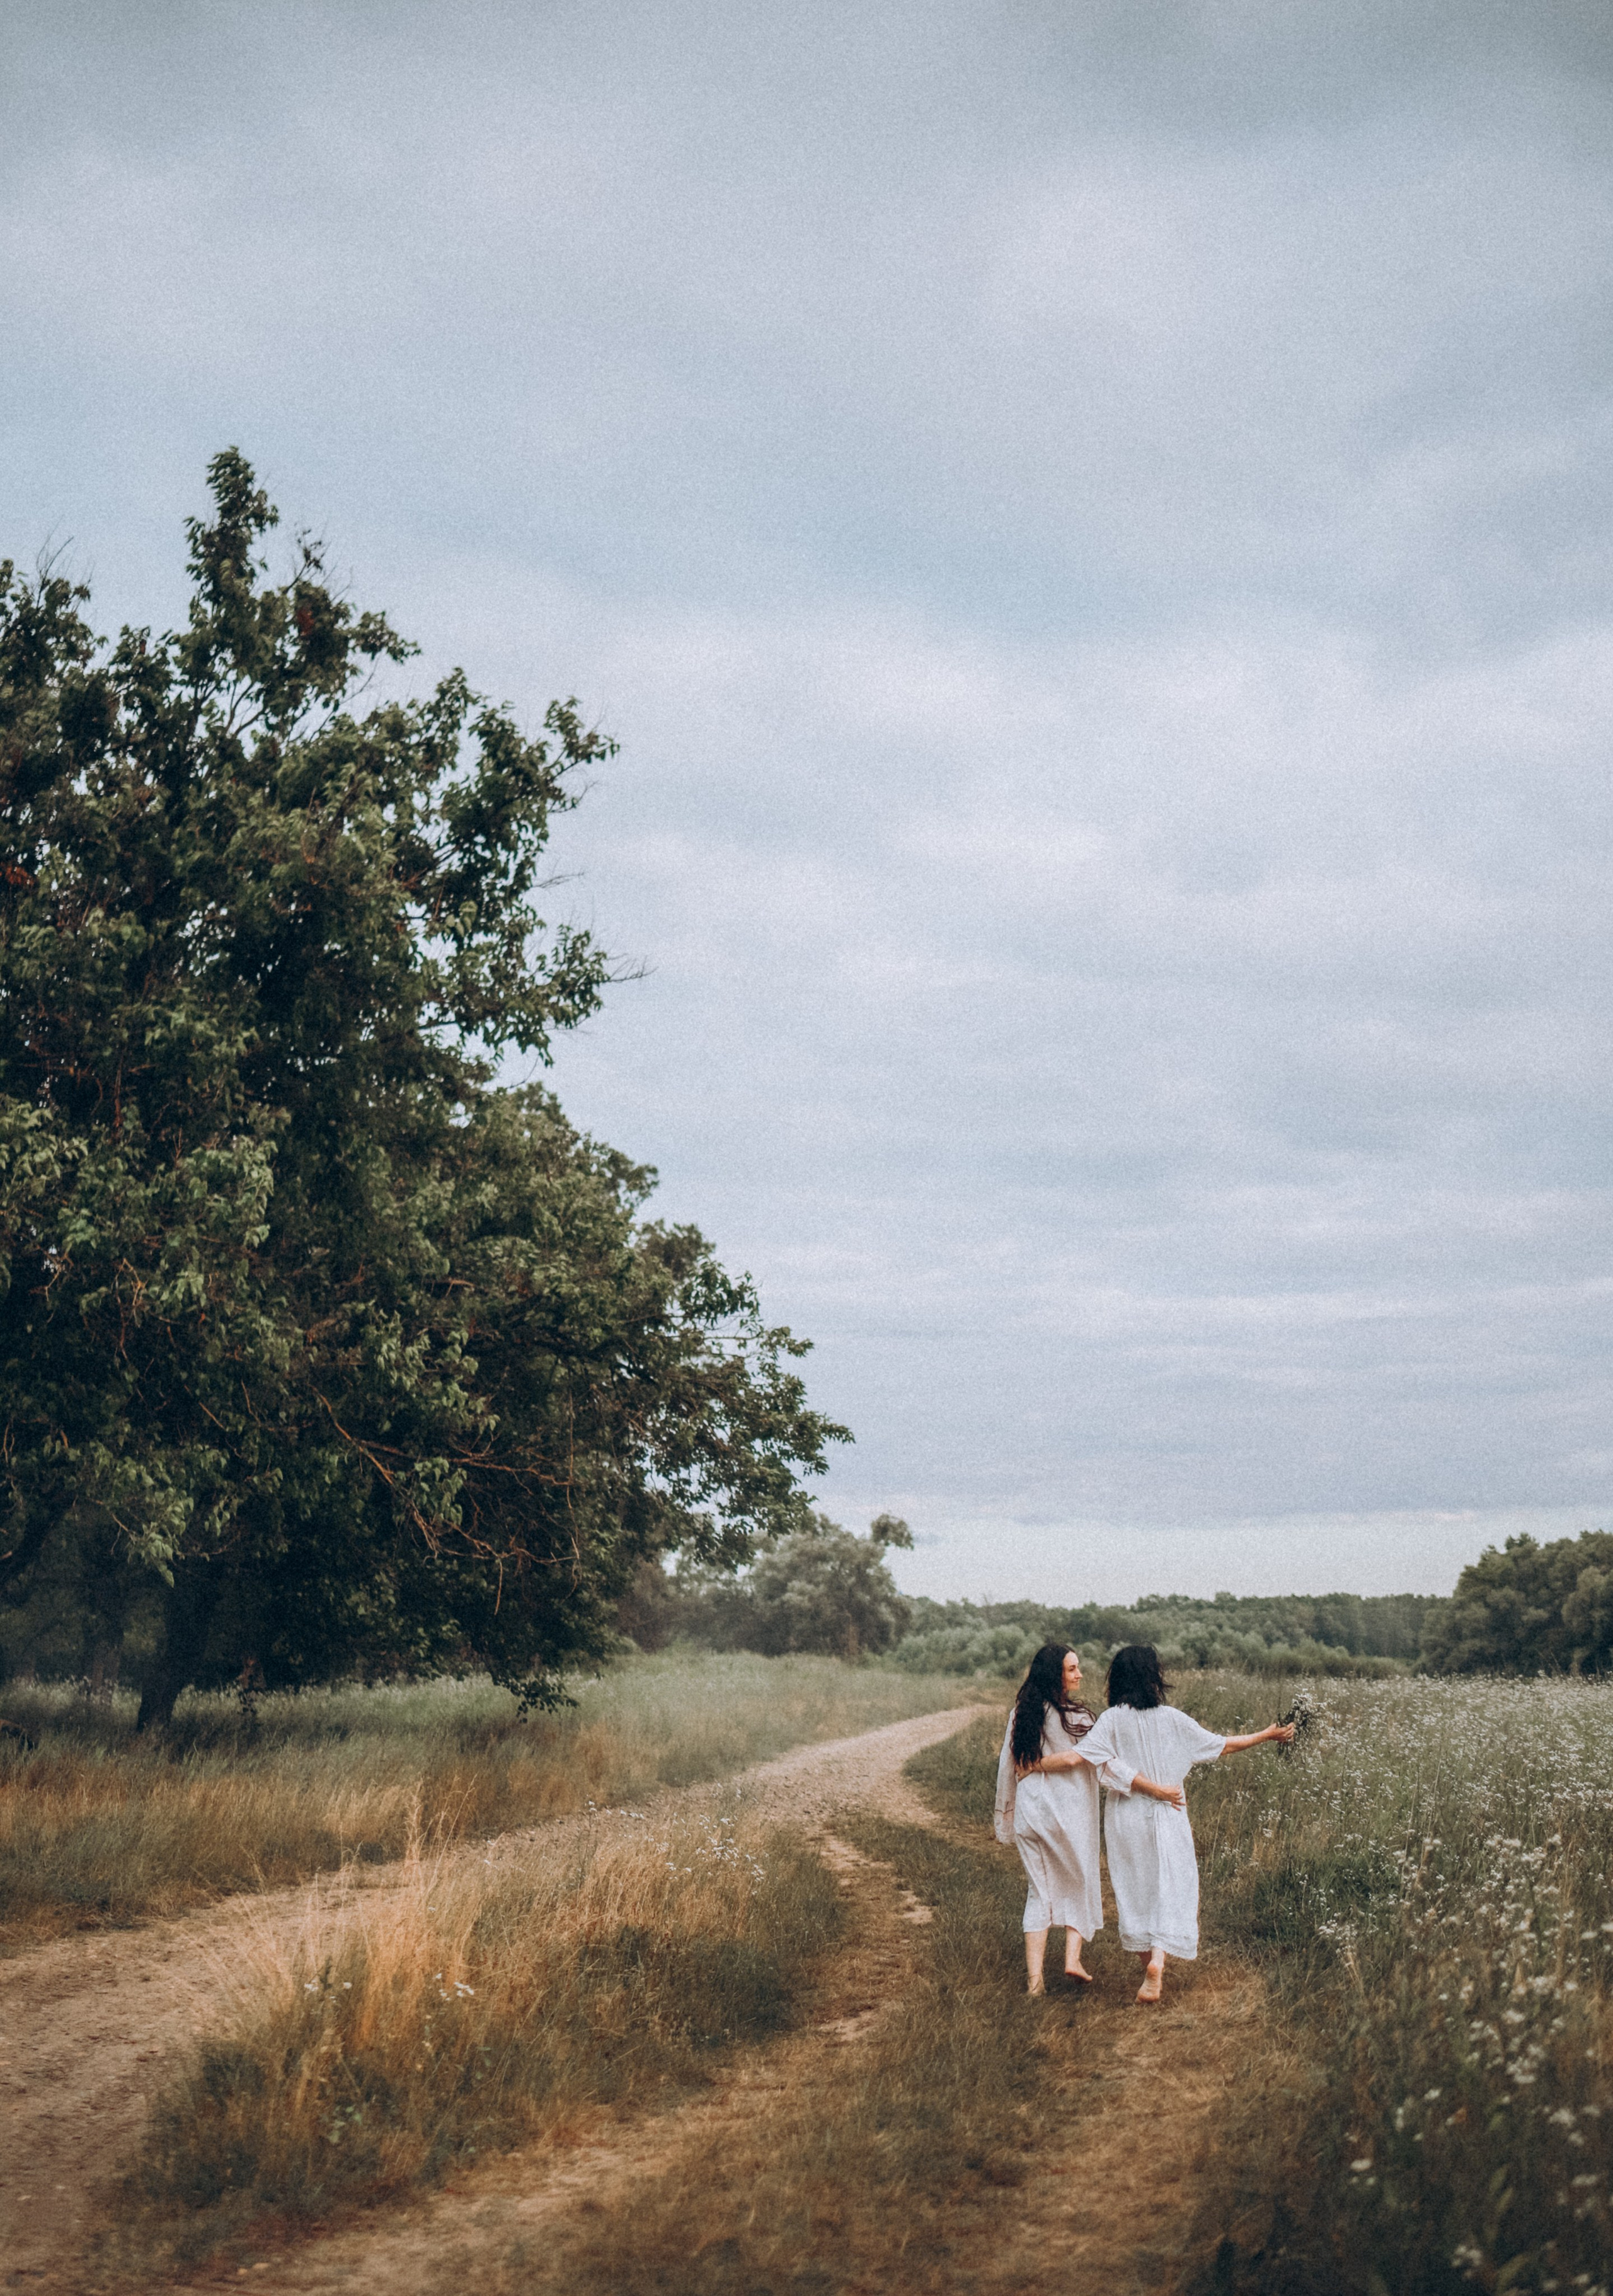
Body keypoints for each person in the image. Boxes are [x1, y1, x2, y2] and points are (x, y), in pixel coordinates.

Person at [1076, 1644, 1295, 2004]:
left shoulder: (1112, 1719)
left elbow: (1099, 1762)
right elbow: (1221, 1745)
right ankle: (1158, 1962)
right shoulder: (1172, 1718)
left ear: (1119, 1677)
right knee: (1170, 1886)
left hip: (1128, 1816)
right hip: (1170, 1813)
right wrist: (1265, 1735)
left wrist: (1147, 1787)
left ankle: (1149, 1966)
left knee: (1135, 1889)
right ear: (1154, 1676)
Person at [994, 1643, 1103, 1993]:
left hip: (1030, 1810)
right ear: (1055, 1673)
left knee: (1039, 1892)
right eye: (1072, 1669)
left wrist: (1033, 1766)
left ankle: (1035, 1983)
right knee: (1082, 1879)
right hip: (1064, 1810)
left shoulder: (1022, 1712)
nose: (1079, 1674)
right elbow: (1075, 1760)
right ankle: (1072, 1959)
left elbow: (1014, 1764)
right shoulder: (1075, 1717)